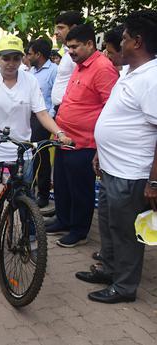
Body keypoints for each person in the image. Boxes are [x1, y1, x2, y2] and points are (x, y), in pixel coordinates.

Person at [77, 10, 157, 304]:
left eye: (123, 39)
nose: (118, 44)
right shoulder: (129, 73)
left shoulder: (153, 78)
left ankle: (124, 287)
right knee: (110, 224)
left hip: (132, 173)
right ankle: (109, 269)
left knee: (126, 232)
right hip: (111, 167)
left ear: (137, 41)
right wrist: (101, 151)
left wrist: (155, 182)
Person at [0, 35, 72, 244]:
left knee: (25, 194)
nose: (11, 63)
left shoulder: (29, 80)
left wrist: (59, 133)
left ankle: (30, 235)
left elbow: (41, 113)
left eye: (16, 58)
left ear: (22, 59)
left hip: (22, 147)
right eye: (6, 58)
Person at [46, 24, 119, 247]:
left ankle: (79, 231)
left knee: (81, 190)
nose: (71, 52)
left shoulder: (103, 68)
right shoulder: (80, 65)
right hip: (64, 139)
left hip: (84, 143)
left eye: (75, 47)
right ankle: (64, 220)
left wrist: (100, 146)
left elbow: (111, 108)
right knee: (63, 184)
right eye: (68, 48)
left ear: (90, 44)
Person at [27, 38, 58, 208]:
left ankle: (43, 194)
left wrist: (49, 119)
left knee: (41, 157)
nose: (27, 56)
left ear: (38, 54)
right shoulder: (30, 72)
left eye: (30, 54)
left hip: (43, 119)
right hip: (28, 118)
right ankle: (27, 190)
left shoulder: (54, 71)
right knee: (28, 155)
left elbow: (57, 97)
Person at [51, 11, 84, 112]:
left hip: (69, 109)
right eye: (56, 28)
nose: (56, 32)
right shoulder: (66, 52)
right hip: (61, 109)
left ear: (73, 28)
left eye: (61, 28)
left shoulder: (77, 54)